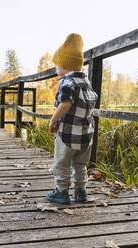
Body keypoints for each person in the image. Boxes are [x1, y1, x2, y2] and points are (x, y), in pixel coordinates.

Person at [47, 33, 98, 204]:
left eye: (57, 65)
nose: (56, 69)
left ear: (65, 65)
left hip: (68, 134)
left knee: (61, 163)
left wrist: (53, 120)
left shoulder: (66, 82)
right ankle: (80, 191)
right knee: (80, 165)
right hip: (86, 136)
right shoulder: (86, 83)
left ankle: (61, 192)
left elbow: (66, 103)